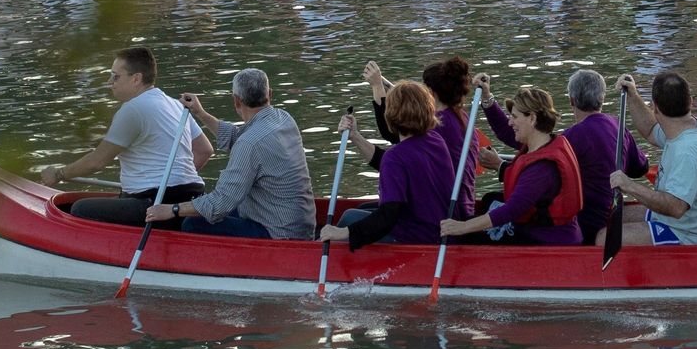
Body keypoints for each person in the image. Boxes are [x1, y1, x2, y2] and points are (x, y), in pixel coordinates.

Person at [41, 46, 213, 227]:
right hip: (193, 199)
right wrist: (175, 184)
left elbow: (96, 162)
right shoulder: (175, 105)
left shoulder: (133, 109)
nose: (110, 81)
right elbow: (204, 151)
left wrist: (59, 174)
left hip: (154, 205)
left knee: (78, 209)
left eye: (116, 76)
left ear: (136, 79)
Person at [142, 69, 315, 240]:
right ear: (270, 94)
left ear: (236, 101)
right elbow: (240, 138)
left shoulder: (249, 144)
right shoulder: (284, 119)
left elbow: (220, 203)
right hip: (299, 223)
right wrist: (200, 113)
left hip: (278, 233)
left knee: (192, 223)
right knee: (209, 207)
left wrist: (173, 209)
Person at [599, 72, 697, 247]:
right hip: (685, 222)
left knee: (603, 239)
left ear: (655, 108)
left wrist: (629, 186)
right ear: (690, 101)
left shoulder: (687, 152)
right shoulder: (687, 126)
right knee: (610, 217)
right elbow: (650, 131)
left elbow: (675, 208)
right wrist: (633, 95)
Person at [318, 81, 455, 248]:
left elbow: (388, 216)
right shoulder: (435, 140)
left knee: (349, 217)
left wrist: (344, 232)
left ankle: (316, 253)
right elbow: (391, 163)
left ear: (390, 114)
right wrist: (355, 135)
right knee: (361, 208)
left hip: (420, 238)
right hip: (438, 229)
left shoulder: (396, 157)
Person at [444, 85, 583, 245]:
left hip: (547, 239)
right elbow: (505, 131)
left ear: (532, 119)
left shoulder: (542, 168)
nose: (510, 122)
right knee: (490, 199)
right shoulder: (541, 141)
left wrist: (462, 227)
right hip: (546, 227)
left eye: (514, 117)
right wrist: (487, 98)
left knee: (464, 238)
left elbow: (512, 210)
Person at [558, 69, 649, 244]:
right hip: (612, 212)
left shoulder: (569, 137)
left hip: (587, 225)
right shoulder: (618, 125)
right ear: (602, 99)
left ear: (572, 100)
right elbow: (641, 168)